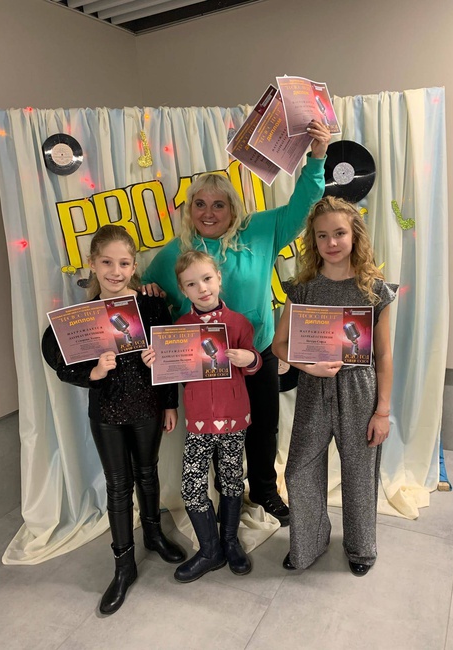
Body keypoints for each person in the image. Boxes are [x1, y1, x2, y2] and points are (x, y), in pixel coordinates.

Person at [142, 121, 331, 525]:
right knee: (213, 434)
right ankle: (223, 498)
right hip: (205, 364)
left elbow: (303, 205)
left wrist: (317, 158)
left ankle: (263, 490)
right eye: (200, 204)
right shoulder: (174, 253)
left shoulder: (261, 230)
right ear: (189, 210)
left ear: (233, 208)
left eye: (219, 204)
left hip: (256, 352)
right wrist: (151, 293)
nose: (209, 213)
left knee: (263, 428)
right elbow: (146, 296)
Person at [45, 225, 186, 615]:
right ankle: (123, 564)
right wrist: (92, 372)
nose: (115, 271)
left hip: (147, 407)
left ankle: (154, 535)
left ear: (134, 265)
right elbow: (57, 357)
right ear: (92, 263)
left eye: (124, 263)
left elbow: (169, 359)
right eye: (106, 262)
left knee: (148, 473)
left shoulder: (151, 306)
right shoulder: (82, 317)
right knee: (118, 486)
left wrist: (169, 403)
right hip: (106, 410)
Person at [272, 196, 398, 575]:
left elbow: (384, 355)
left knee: (359, 473)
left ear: (354, 235)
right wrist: (306, 366)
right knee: (299, 470)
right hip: (314, 389)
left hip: (360, 391)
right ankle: (309, 542)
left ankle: (361, 549)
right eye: (322, 235)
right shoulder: (303, 288)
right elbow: (279, 345)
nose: (331, 242)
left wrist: (382, 411)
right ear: (313, 240)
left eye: (339, 233)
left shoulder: (373, 290)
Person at [145, 250, 261, 582]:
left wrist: (249, 358)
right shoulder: (179, 328)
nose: (202, 288)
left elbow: (254, 365)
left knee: (232, 479)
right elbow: (174, 372)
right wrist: (157, 362)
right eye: (192, 284)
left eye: (207, 279)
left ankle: (230, 542)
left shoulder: (239, 323)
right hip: (198, 421)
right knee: (192, 485)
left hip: (234, 417)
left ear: (219, 279)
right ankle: (210, 551)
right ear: (183, 290)